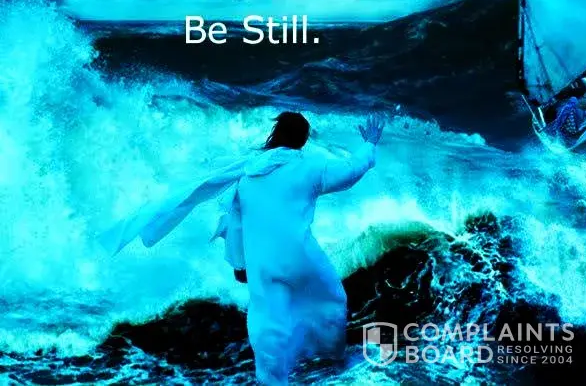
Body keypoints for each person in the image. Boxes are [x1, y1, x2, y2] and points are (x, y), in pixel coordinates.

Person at [98, 112, 385, 385]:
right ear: (303, 140)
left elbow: (235, 224)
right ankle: (330, 361)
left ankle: (272, 380)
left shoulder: (248, 174)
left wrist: (239, 264)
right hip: (302, 257)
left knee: (267, 324)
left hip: (263, 264)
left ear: (276, 135)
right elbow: (351, 170)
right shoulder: (311, 167)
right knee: (332, 300)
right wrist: (369, 144)